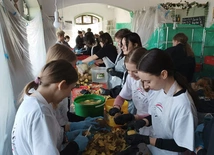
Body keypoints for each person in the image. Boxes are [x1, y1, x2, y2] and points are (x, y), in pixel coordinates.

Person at [125, 48, 198, 155]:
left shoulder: (182, 105)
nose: (145, 86)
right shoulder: (160, 91)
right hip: (155, 150)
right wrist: (143, 121)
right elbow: (158, 115)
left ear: (163, 74)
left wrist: (147, 140)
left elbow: (181, 145)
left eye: (148, 81)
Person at [11, 60, 88, 155]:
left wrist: (65, 136)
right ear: (62, 85)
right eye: (71, 89)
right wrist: (75, 146)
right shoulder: (41, 113)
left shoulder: (34, 101)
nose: (69, 94)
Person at [110, 47, 153, 136]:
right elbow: (122, 96)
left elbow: (158, 116)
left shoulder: (154, 84)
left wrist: (134, 117)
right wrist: (116, 107)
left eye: (135, 71)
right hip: (140, 123)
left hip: (155, 125)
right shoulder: (131, 78)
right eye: (128, 70)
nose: (131, 74)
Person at [100, 32, 142, 99]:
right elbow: (126, 84)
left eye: (125, 45)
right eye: (120, 43)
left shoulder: (138, 63)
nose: (121, 46)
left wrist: (118, 74)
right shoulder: (123, 55)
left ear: (135, 45)